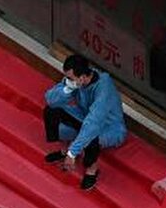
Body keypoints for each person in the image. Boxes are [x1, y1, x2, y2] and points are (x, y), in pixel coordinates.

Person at [42, 54, 127, 191]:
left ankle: (91, 170)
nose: (67, 80)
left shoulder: (103, 88)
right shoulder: (75, 81)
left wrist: (73, 152)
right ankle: (64, 151)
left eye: (70, 79)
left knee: (91, 136)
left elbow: (93, 123)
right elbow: (50, 99)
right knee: (52, 111)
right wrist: (67, 89)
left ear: (82, 77)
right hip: (85, 116)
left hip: (109, 127)